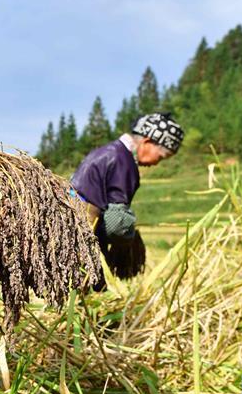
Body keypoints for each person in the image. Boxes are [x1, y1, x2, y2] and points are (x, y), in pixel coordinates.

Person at [70, 112, 184, 279]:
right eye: (160, 157)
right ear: (147, 142)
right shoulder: (124, 162)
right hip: (83, 230)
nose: (156, 163)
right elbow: (116, 223)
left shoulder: (108, 151)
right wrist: (128, 243)